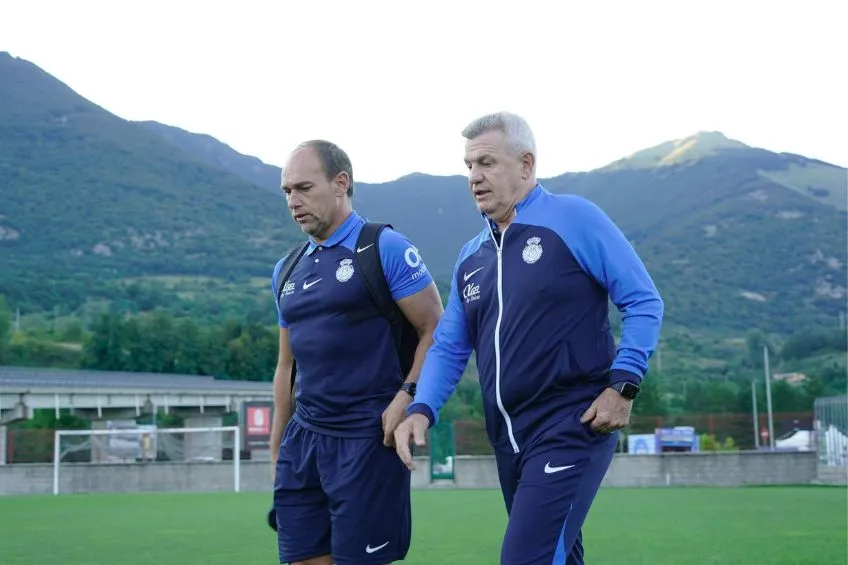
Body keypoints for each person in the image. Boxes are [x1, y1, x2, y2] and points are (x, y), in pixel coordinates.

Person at [393, 112, 664, 564]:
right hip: (509, 438)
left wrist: (623, 385)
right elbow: (450, 346)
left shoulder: (573, 219)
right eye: (469, 166)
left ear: (526, 164)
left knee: (526, 558)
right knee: (558, 554)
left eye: (487, 163)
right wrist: (422, 408)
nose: (475, 177)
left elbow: (643, 300)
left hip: (571, 425)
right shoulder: (470, 258)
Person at [269, 139, 444, 565]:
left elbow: (436, 331)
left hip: (366, 441)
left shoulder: (382, 247)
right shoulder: (287, 268)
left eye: (304, 188)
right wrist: (278, 447)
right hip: (304, 443)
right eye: (288, 191)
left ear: (341, 183)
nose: (294, 201)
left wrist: (407, 396)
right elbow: (286, 365)